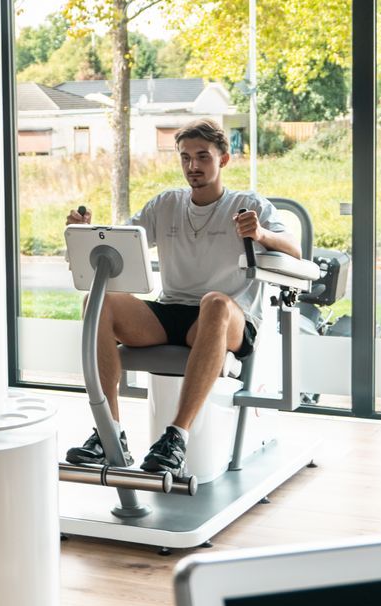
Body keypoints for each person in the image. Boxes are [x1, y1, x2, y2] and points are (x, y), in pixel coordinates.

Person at [63, 119, 300, 477]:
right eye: (186, 157)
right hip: (171, 313)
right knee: (98, 304)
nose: (193, 166)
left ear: (224, 159)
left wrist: (262, 233)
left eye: (203, 156)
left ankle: (176, 436)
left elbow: (295, 250)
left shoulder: (248, 203)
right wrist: (87, 234)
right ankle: (109, 432)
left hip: (227, 318)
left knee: (215, 302)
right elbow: (123, 243)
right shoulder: (166, 204)